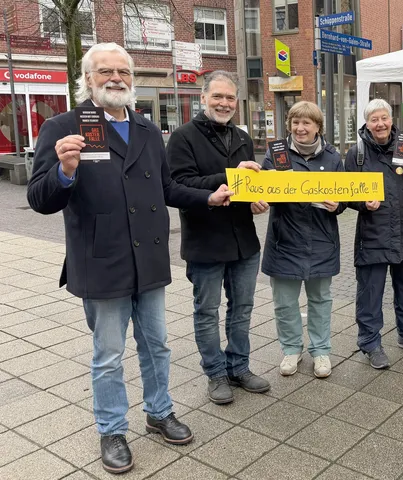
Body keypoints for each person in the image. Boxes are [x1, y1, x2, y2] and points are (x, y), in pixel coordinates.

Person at [26, 43, 232, 474]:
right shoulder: (62, 127)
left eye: (123, 70)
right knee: (108, 354)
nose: (116, 78)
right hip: (102, 260)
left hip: (150, 260)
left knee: (157, 345)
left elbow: (167, 189)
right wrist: (64, 170)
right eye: (105, 71)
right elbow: (39, 199)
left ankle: (159, 412)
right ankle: (112, 429)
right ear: (88, 79)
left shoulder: (145, 128)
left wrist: (209, 197)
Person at [167, 71, 270, 405]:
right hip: (205, 241)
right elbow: (178, 186)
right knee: (207, 312)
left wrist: (254, 199)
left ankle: (239, 367)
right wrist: (229, 177)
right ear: (203, 97)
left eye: (230, 98)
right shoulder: (182, 137)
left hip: (244, 241)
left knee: (242, 309)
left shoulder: (242, 137)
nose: (224, 103)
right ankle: (215, 373)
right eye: (218, 97)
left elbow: (244, 185)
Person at [261, 101, 346, 378]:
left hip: (321, 241)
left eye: (306, 123)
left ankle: (321, 351)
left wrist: (338, 205)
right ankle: (291, 349)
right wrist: (264, 191)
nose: (300, 128)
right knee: (284, 302)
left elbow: (345, 196)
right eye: (295, 122)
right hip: (284, 241)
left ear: (318, 127)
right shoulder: (275, 154)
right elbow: (263, 192)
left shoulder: (333, 158)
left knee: (321, 299)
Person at [344, 99, 403, 369]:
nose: (380, 124)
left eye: (384, 118)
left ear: (391, 120)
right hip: (373, 234)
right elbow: (346, 194)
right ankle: (370, 343)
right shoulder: (356, 153)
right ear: (366, 123)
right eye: (374, 119)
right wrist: (361, 203)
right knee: (370, 294)